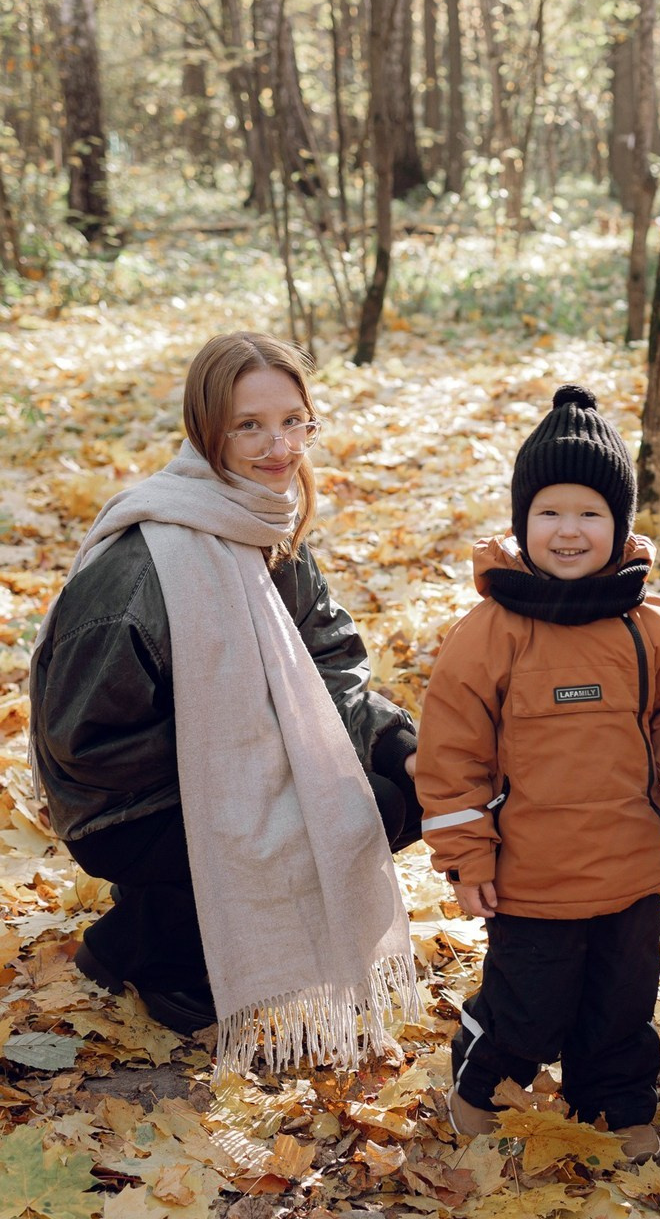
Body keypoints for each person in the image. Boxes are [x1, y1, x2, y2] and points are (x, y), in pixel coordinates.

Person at [28, 332, 421, 1078]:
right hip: (124, 809)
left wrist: (399, 746)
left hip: (222, 770)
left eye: (294, 421)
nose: (280, 447)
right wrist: (253, 763)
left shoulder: (263, 521)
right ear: (207, 429)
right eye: (249, 426)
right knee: (356, 806)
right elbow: (85, 744)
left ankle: (154, 927)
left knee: (410, 783)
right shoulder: (142, 567)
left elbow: (329, 657)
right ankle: (157, 955)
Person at [415, 384, 660, 1159]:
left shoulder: (647, 627)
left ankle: (615, 1104)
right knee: (529, 1008)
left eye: (590, 513)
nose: (569, 529)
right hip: (531, 879)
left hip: (629, 871)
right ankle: (483, 1086)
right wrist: (466, 857)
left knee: (620, 1009)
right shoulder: (490, 633)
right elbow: (452, 756)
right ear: (523, 522)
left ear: (620, 527)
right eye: (549, 511)